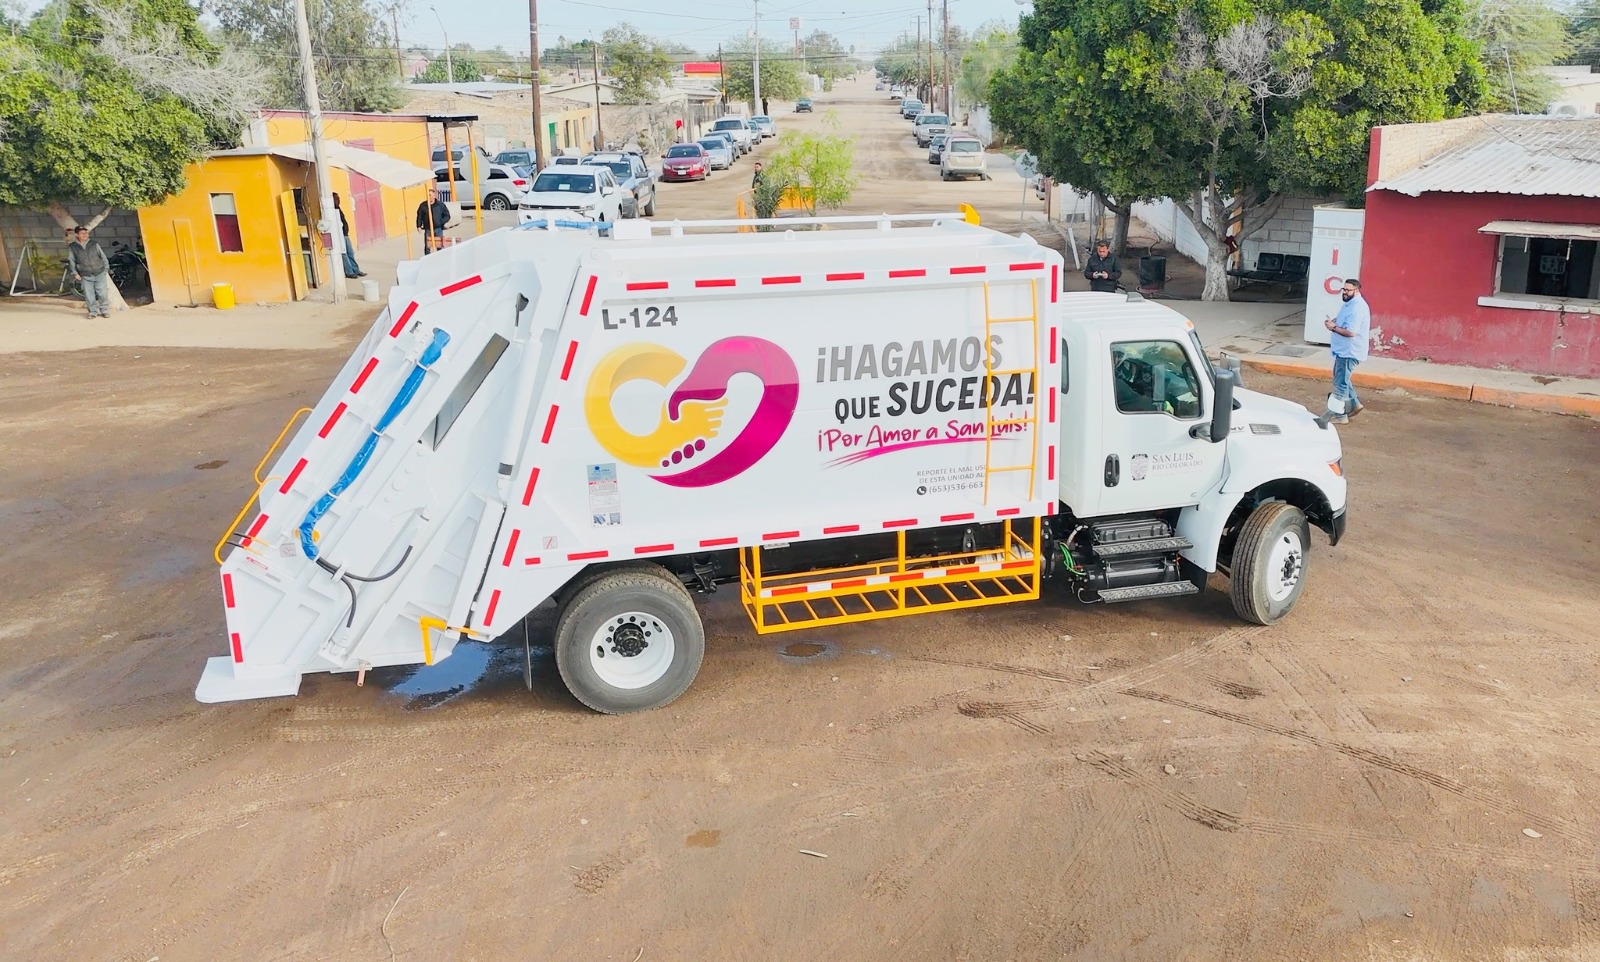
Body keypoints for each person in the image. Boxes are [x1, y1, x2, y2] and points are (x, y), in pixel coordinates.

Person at [1324, 278, 1371, 422]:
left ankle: (1340, 415)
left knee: (1340, 384)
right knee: (1342, 379)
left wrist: (1333, 328)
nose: (1344, 292)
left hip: (1349, 352)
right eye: (1343, 289)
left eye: (1347, 290)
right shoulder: (1350, 304)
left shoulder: (1357, 308)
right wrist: (1334, 321)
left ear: (1356, 290)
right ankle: (1355, 404)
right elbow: (1344, 320)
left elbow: (1351, 332)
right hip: (1344, 351)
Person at [67, 225, 111, 318]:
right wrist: (75, 273)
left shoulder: (94, 244)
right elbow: (72, 260)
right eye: (82, 233)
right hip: (85, 274)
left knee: (102, 293)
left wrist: (106, 269)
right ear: (77, 235)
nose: (85, 235)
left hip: (99, 272)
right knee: (88, 295)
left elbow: (103, 256)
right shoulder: (73, 247)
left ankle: (105, 310)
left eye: (86, 233)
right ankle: (92, 312)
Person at [331, 193, 365, 278]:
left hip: (345, 234)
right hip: (339, 235)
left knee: (351, 253)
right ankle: (349, 272)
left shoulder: (338, 208)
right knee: (344, 254)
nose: (338, 200)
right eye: (336, 199)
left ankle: (356, 270)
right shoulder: (332, 210)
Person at [416, 187, 450, 255]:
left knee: (439, 246)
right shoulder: (423, 205)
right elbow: (419, 216)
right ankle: (427, 259)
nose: (429, 197)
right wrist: (418, 226)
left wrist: (440, 222)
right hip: (428, 229)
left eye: (430, 195)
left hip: (438, 229)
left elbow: (447, 216)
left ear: (434, 195)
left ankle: (439, 258)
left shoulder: (440, 205)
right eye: (428, 195)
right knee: (427, 246)